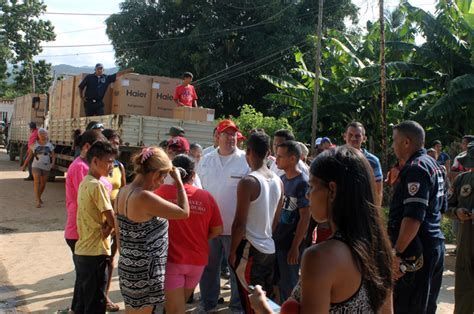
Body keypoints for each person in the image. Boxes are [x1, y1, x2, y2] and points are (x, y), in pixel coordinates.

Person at [249, 145, 393, 313]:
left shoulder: (319, 258)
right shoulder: (381, 250)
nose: (308, 195)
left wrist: (262, 308)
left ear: (332, 190)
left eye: (312, 186)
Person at [114, 146, 190, 312]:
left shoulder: (122, 192)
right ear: (155, 174)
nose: (163, 182)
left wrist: (130, 258)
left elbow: (119, 233)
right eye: (163, 177)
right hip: (146, 270)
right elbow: (184, 212)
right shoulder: (144, 197)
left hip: (128, 264)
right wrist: (178, 182)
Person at [389, 120, 446, 314]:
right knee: (426, 306)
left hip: (416, 249)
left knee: (409, 307)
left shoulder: (416, 168)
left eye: (394, 140)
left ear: (406, 142)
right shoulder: (435, 165)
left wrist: (396, 252)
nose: (392, 145)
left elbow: (414, 218)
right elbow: (441, 208)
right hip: (434, 244)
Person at [155, 154, 223, 314]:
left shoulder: (159, 192)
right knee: (179, 306)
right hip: (197, 262)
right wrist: (199, 237)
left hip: (171, 261)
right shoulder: (206, 196)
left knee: (174, 309)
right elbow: (218, 229)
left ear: (171, 172)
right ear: (193, 175)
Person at [196, 119, 250, 313]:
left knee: (235, 268)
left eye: (234, 134)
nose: (231, 138)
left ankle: (237, 306)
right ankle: (207, 302)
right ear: (217, 137)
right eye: (226, 134)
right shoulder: (206, 159)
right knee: (208, 267)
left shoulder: (245, 160)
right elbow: (197, 189)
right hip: (209, 228)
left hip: (235, 227)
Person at [229, 132, 284, 313]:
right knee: (264, 302)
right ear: (269, 152)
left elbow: (239, 224)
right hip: (269, 248)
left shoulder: (249, 182)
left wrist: (232, 252)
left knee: (251, 303)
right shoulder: (278, 180)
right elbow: (276, 219)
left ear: (248, 152)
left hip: (250, 250)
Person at [65, 130, 112, 312]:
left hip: (86, 231)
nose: (110, 166)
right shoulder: (84, 171)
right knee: (91, 290)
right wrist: (111, 225)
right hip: (84, 232)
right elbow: (96, 203)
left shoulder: (86, 169)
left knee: (85, 286)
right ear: (88, 149)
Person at [273, 140, 310, 302]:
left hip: (291, 243)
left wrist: (295, 247)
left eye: (280, 157)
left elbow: (305, 216)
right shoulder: (281, 179)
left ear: (293, 159)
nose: (276, 160)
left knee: (291, 286)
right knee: (278, 283)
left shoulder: (302, 183)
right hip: (278, 240)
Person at [446, 141, 474, 313]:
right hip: (466, 242)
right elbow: (446, 207)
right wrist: (457, 212)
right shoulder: (462, 180)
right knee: (464, 286)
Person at [102, 129, 126, 312]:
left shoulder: (119, 167)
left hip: (116, 218)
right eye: (112, 142)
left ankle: (105, 295)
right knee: (98, 260)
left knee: (111, 260)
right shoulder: (97, 166)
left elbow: (124, 191)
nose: (115, 145)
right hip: (100, 220)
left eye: (118, 143)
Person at [343, 121, 383, 206]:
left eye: (357, 136)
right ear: (344, 136)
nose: (353, 138)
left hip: (364, 211)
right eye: (350, 135)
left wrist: (375, 213)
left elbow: (378, 192)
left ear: (364, 139)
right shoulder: (337, 158)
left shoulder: (373, 161)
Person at [21, 128, 55, 208]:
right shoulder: (34, 145)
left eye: (43, 134)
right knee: (36, 182)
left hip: (46, 166)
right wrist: (24, 165)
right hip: (36, 166)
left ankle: (39, 197)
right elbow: (29, 156)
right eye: (40, 134)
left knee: (43, 184)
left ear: (46, 135)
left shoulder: (50, 145)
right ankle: (37, 201)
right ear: (38, 135)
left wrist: (52, 163)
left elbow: (53, 155)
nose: (42, 135)